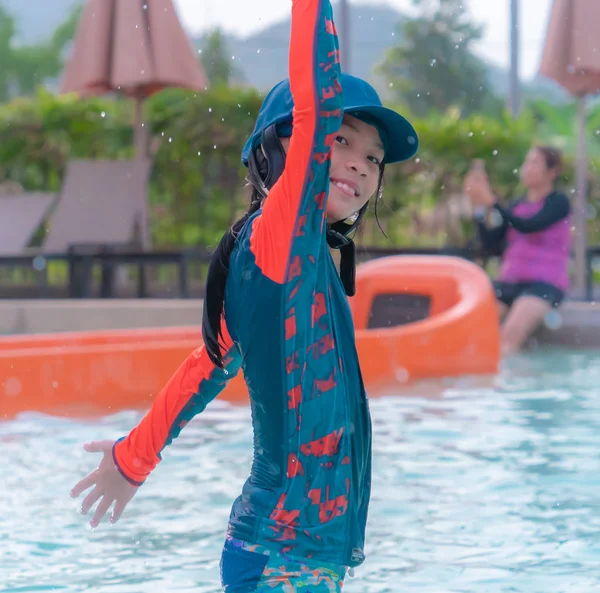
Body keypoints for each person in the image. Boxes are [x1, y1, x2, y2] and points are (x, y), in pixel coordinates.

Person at [69, 0, 418, 590]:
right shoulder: (279, 235)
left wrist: (133, 458)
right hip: (283, 558)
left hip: (296, 555)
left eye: (374, 159)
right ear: (286, 149)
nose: (359, 167)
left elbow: (205, 366)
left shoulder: (287, 264)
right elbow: (316, 102)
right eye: (342, 142)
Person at [464, 146, 571, 355]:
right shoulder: (517, 205)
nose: (527, 168)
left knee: (508, 339)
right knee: (471, 334)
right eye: (527, 162)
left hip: (543, 285)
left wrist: (492, 202)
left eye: (535, 163)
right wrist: (478, 208)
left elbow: (528, 225)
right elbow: (492, 244)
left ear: (553, 171)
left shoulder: (558, 202)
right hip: (509, 283)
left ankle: (506, 385)